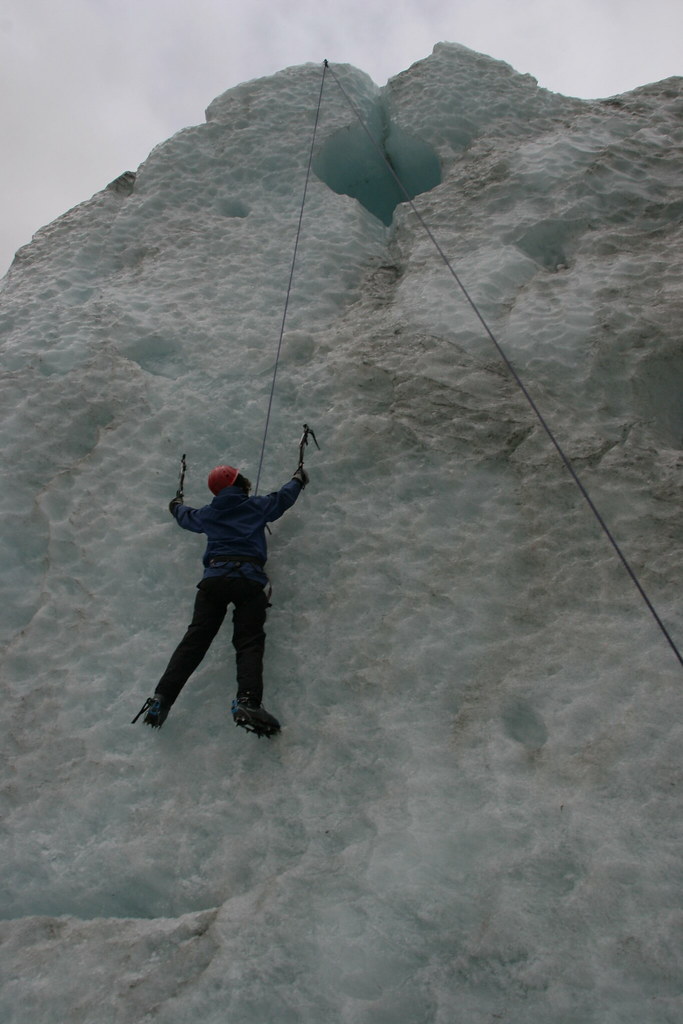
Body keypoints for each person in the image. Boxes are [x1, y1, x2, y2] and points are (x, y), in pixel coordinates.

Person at [136, 462, 308, 737]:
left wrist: (175, 504)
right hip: (248, 580)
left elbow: (184, 516)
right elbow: (283, 498)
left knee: (195, 640)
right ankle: (248, 702)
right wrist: (298, 478)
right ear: (240, 483)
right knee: (248, 642)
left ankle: (161, 698)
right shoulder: (256, 506)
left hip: (214, 579)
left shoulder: (209, 513)